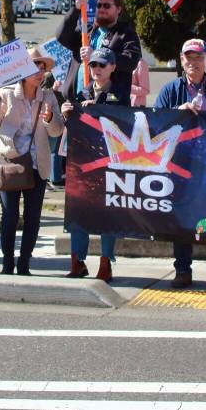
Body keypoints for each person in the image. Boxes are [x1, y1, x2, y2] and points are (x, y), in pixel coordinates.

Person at [155, 39, 206, 293]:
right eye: (188, 57)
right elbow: (156, 123)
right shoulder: (170, 90)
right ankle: (183, 269)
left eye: (198, 57)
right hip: (180, 163)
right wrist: (178, 112)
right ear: (181, 60)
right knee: (182, 215)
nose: (193, 62)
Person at [0, 49, 65, 275]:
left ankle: (24, 263)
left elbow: (57, 131)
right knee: (9, 215)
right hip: (11, 162)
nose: (39, 72)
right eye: (34, 67)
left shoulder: (48, 96)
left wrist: (49, 118)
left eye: (42, 67)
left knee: (33, 217)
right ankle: (7, 262)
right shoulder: (7, 93)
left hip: (38, 165)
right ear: (22, 70)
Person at [60, 47, 128, 283]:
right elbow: (70, 130)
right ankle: (77, 261)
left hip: (110, 164)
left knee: (107, 215)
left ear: (112, 67)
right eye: (94, 65)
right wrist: (66, 113)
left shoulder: (120, 95)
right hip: (82, 163)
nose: (97, 69)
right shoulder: (81, 93)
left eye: (102, 65)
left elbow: (124, 125)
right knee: (78, 212)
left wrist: (99, 110)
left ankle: (106, 263)